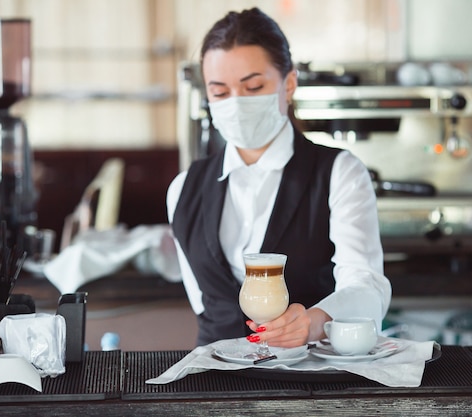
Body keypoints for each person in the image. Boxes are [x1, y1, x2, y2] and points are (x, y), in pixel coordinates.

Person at [167, 7, 391, 347]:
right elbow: (202, 302)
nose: (237, 104)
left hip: (310, 381)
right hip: (214, 383)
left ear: (289, 83)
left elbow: (368, 287)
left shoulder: (339, 173)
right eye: (220, 93)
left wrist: (314, 322)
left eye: (253, 86)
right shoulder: (184, 189)